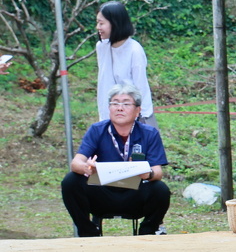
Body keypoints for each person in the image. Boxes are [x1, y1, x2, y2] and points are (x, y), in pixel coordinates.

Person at [61, 83, 171, 237]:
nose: (120, 108)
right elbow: (76, 163)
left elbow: (158, 172)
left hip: (135, 194)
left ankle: (147, 232)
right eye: (115, 103)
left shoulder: (149, 133)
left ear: (137, 110)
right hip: (102, 193)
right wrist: (87, 168)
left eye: (126, 104)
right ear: (109, 108)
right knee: (70, 181)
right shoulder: (97, 130)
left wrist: (147, 173)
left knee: (160, 190)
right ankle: (88, 233)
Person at [96, 2, 156, 127]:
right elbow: (104, 82)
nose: (98, 27)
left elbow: (141, 87)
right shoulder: (101, 47)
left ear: (115, 23)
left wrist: (142, 117)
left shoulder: (134, 50)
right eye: (97, 23)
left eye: (101, 23)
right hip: (109, 115)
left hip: (134, 117)